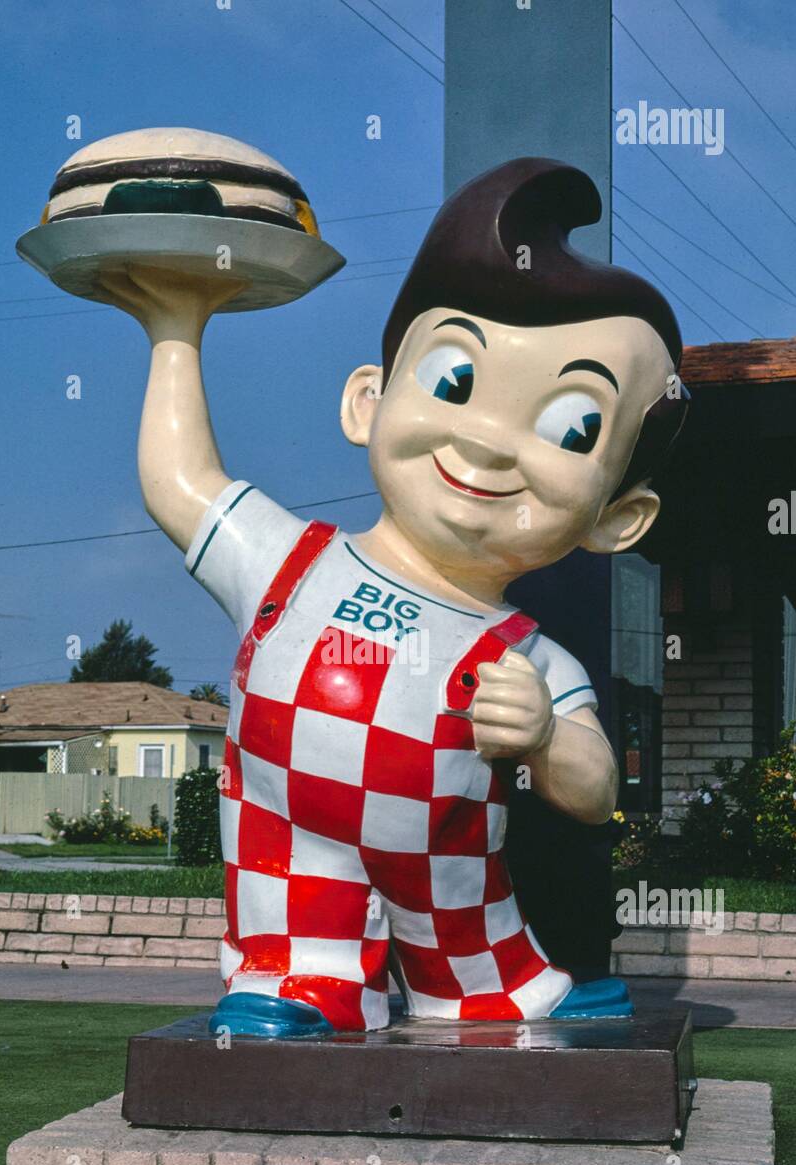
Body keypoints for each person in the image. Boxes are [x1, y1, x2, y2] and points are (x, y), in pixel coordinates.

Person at [101, 157, 688, 1035]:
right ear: (366, 403)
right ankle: (298, 982)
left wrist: (542, 736)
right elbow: (181, 482)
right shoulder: (288, 561)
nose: (487, 445)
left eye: (570, 426)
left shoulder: (527, 654)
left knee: (481, 990)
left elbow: (597, 789)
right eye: (454, 381)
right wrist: (175, 331)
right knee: (292, 952)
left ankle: (495, 989)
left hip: (450, 878)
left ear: (617, 516)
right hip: (291, 854)